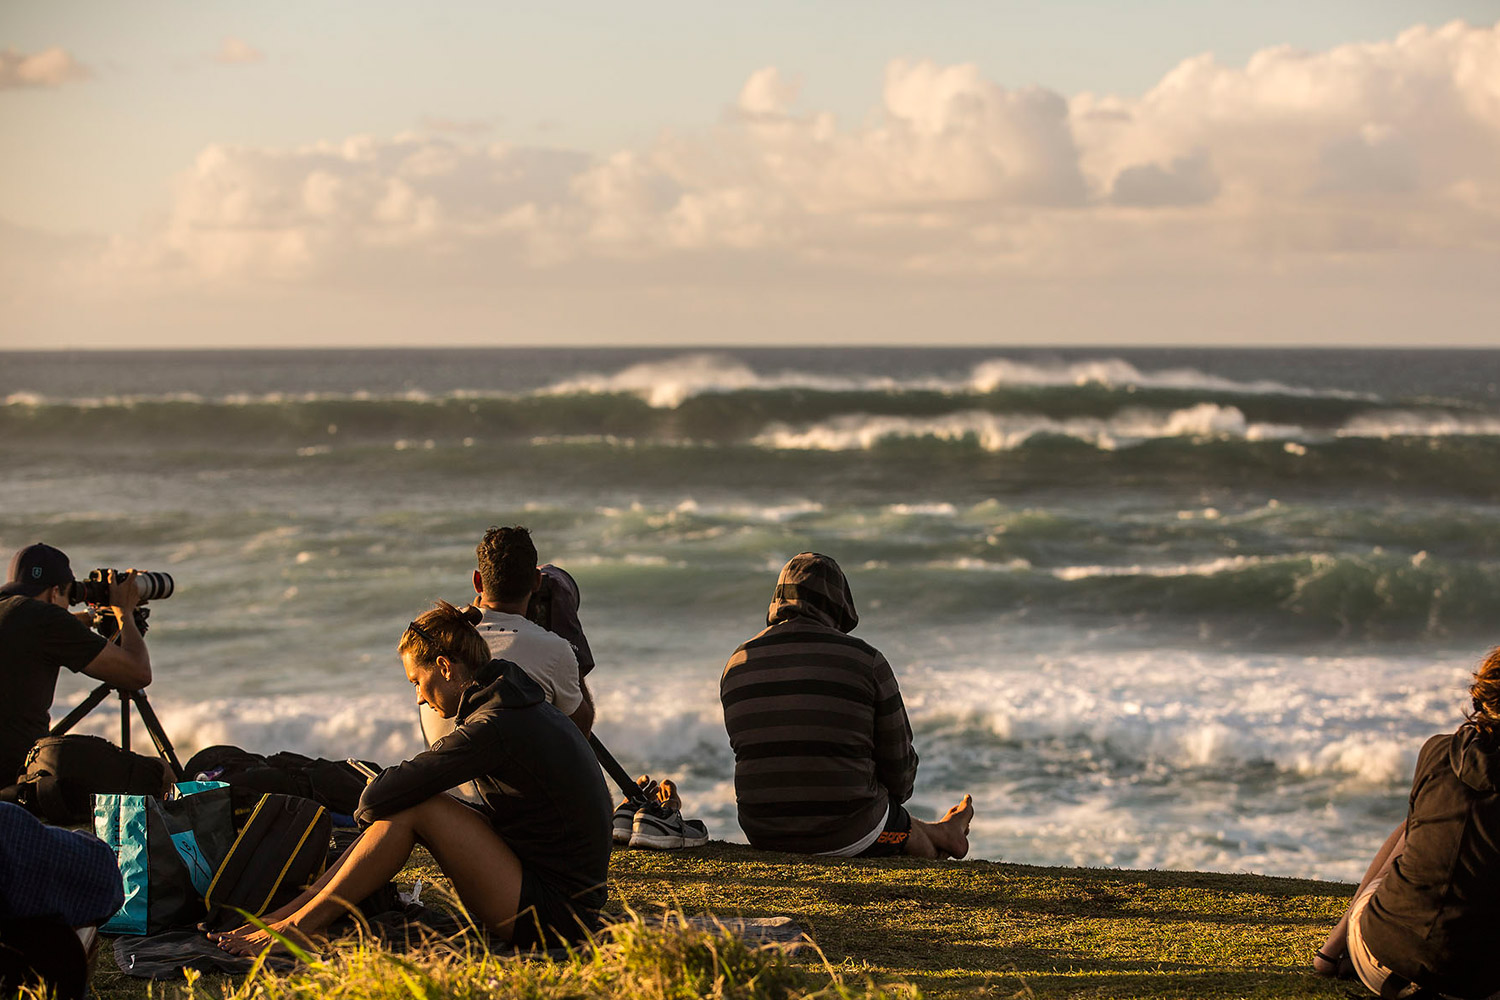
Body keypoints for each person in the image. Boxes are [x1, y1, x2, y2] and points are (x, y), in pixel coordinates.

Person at [216, 601, 612, 955]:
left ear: (444, 666)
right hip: (557, 894)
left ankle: (298, 924)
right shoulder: (509, 697)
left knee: (415, 807)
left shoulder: (494, 725)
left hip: (553, 916)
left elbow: (376, 797)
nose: (420, 698)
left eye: (417, 683)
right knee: (416, 804)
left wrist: (379, 817)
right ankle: (288, 917)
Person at [720, 552, 973, 860]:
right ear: (840, 603)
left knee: (889, 823)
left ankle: (940, 833)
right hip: (848, 835)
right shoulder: (866, 661)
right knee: (900, 834)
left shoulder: (736, 663)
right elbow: (900, 773)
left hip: (762, 832)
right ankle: (945, 837)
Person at [1314, 647, 1500, 1000]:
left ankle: (1330, 950)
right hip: (1474, 986)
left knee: (1414, 822)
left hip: (1380, 957)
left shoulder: (1437, 751)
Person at [419, 526, 593, 751]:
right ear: (537, 582)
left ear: (478, 581)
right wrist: (568, 646)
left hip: (441, 782)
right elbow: (581, 736)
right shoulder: (554, 651)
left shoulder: (432, 637)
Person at [0, 543, 152, 782]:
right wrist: (124, 612)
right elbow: (138, 673)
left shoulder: (14, 614)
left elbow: (45, 629)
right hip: (18, 774)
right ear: (53, 592)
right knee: (160, 772)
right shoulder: (45, 619)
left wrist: (93, 617)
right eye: (70, 597)